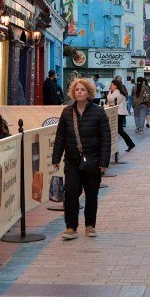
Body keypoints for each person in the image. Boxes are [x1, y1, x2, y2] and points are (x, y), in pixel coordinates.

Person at [52, 78, 111, 240]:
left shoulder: (98, 112)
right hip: (72, 161)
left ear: (89, 93)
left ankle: (90, 225)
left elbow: (105, 138)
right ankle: (71, 227)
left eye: (83, 89)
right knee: (71, 193)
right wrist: (56, 157)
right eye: (77, 89)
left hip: (93, 160)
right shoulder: (67, 112)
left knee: (91, 194)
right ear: (73, 92)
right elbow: (60, 137)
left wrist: (104, 162)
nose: (79, 92)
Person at [106, 79, 134, 152]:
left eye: (112, 85)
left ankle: (130, 144)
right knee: (119, 130)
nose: (110, 86)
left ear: (116, 86)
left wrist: (109, 92)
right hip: (118, 113)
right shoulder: (117, 92)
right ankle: (130, 144)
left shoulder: (118, 93)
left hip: (119, 113)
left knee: (119, 130)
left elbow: (110, 100)